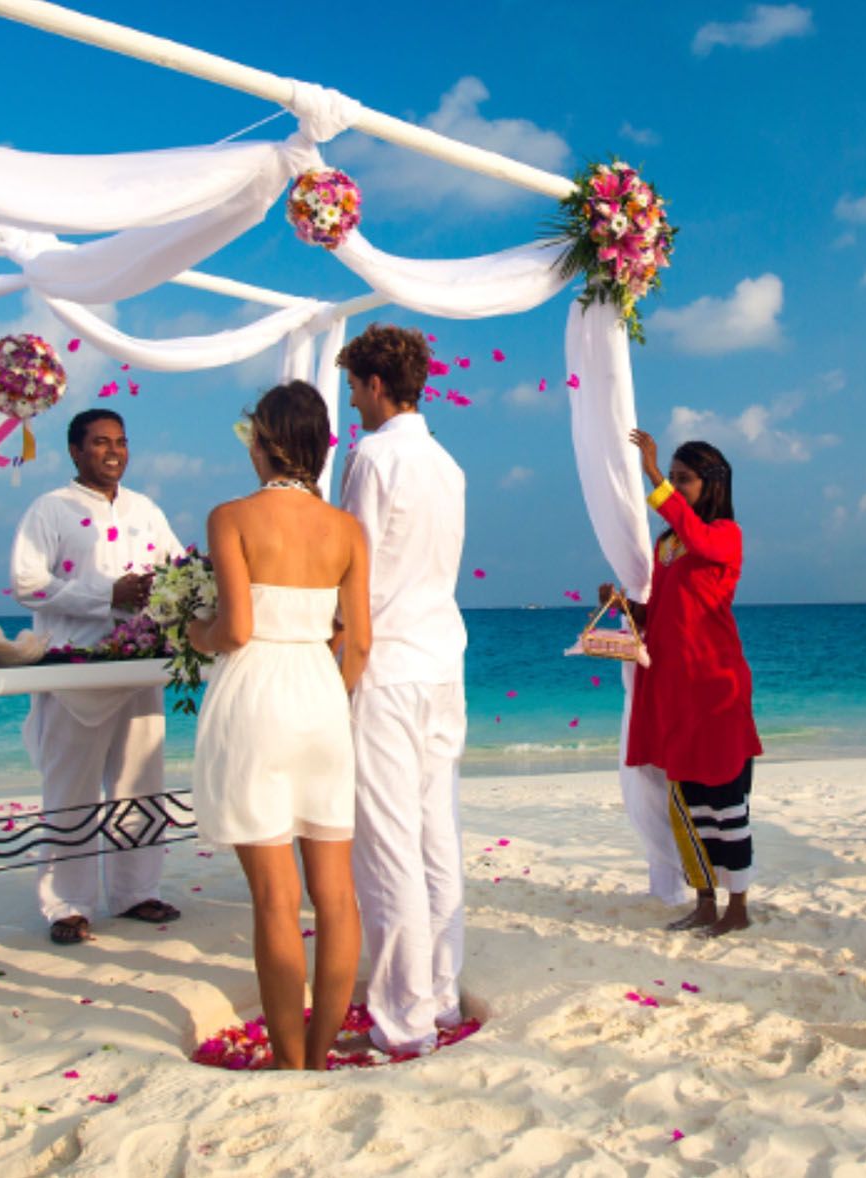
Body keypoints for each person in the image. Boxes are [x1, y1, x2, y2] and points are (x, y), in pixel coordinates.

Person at [187, 381, 370, 1070]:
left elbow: (236, 629)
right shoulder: (346, 529)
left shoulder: (231, 517)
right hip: (320, 699)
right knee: (337, 896)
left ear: (264, 443)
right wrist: (326, 695)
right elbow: (359, 643)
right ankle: (320, 1054)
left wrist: (195, 631)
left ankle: (289, 1060)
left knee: (275, 898)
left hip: (257, 695)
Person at [335, 325, 471, 1056]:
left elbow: (353, 568)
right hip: (442, 659)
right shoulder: (448, 464)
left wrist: (336, 662)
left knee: (388, 844)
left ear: (378, 385)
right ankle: (441, 992)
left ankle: (403, 1017)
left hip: (387, 663)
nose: (353, 402)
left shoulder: (374, 456)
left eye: (355, 388)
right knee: (435, 833)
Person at [9, 408, 186, 945]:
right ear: (75, 450)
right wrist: (105, 595)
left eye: (121, 442)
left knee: (140, 783)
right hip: (75, 669)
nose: (114, 452)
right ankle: (67, 905)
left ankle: (136, 892)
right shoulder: (50, 509)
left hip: (138, 664)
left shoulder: (145, 509)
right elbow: (27, 583)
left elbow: (179, 569)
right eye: (101, 442)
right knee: (71, 788)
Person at [603, 430, 764, 938]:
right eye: (671, 477)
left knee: (726, 802)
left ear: (711, 483)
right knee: (690, 806)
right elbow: (661, 613)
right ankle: (705, 901)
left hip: (716, 687)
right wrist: (625, 607)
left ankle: (738, 906)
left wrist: (652, 475)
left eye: (683, 479)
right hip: (675, 689)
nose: (674, 485)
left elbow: (699, 539)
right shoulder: (667, 544)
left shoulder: (724, 535)